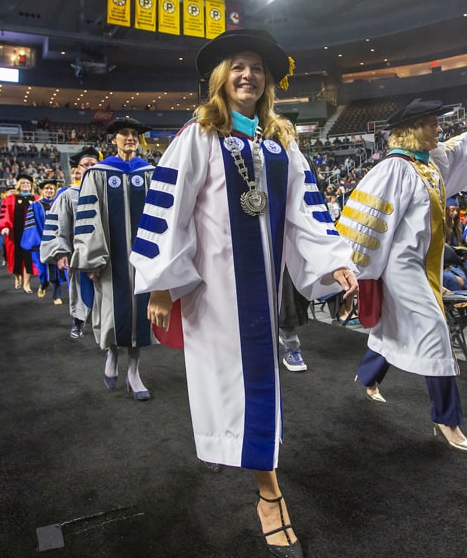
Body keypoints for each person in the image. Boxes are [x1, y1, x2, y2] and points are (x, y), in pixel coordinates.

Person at [129, 29, 356, 558]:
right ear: (220, 78)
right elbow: (169, 208)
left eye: (256, 67)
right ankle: (269, 496)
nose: (247, 74)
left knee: (256, 387)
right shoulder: (199, 133)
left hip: (260, 288)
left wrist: (336, 260)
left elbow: (308, 209)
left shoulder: (281, 140)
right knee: (237, 387)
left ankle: (260, 476)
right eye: (237, 67)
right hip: (214, 289)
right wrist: (162, 285)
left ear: (267, 79)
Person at [339, 95, 467, 456]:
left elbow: (457, 150)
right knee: (435, 333)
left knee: (391, 327)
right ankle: (447, 419)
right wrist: (354, 271)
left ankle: (367, 377)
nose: (438, 129)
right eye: (432, 124)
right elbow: (366, 222)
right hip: (400, 265)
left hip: (424, 264)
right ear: (412, 130)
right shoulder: (393, 169)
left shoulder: (427, 164)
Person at [73, 117, 157, 400]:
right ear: (114, 140)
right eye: (124, 134)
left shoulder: (150, 173)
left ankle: (134, 372)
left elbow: (161, 216)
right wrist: (91, 259)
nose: (130, 138)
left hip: (143, 258)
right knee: (113, 311)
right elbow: (87, 218)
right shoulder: (97, 173)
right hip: (111, 258)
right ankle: (112, 356)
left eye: (134, 133)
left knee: (139, 315)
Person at [41, 147, 100, 338]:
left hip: (103, 253)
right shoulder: (69, 195)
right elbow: (59, 225)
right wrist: (61, 252)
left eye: (93, 164)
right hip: (79, 253)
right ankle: (77, 323)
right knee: (79, 290)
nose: (89, 168)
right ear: (79, 169)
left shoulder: (107, 190)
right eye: (86, 165)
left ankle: (105, 326)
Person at [0, 174, 37, 292]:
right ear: (19, 185)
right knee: (16, 257)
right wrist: (4, 226)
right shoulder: (10, 199)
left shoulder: (36, 198)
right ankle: (17, 277)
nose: (25, 185)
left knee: (28, 258)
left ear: (31, 186)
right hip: (15, 233)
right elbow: (5, 214)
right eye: (23, 183)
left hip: (30, 235)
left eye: (28, 183)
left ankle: (26, 284)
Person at [33, 179, 67, 303]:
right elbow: (32, 225)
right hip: (41, 241)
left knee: (58, 271)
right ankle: (43, 284)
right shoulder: (36, 206)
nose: (49, 191)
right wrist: (36, 241)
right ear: (42, 190)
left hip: (57, 241)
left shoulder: (60, 203)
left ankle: (57, 295)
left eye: (51, 188)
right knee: (43, 270)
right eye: (46, 188)